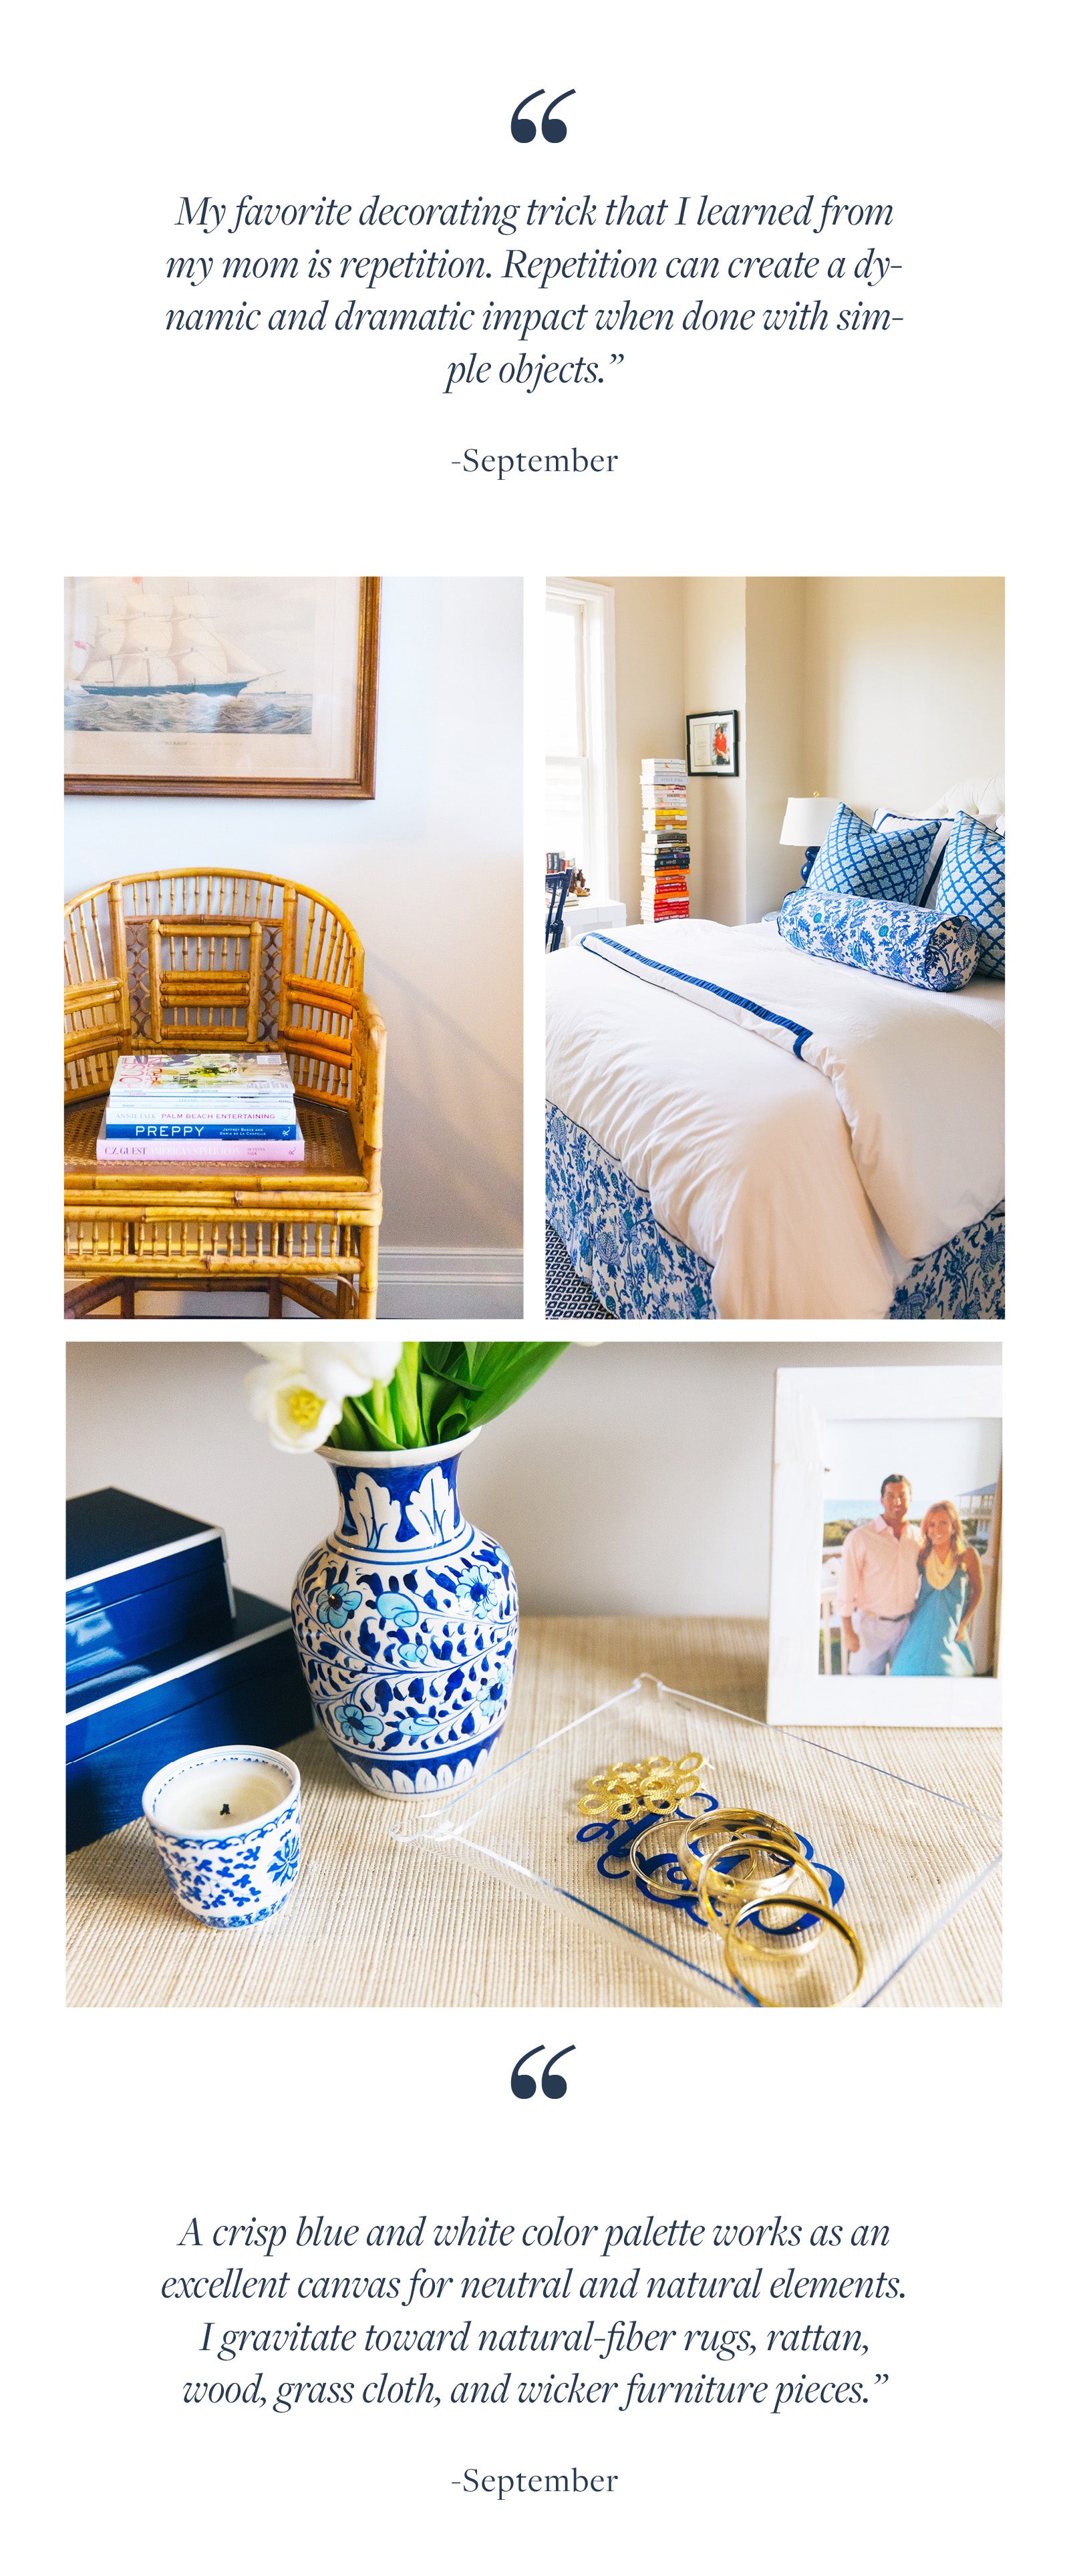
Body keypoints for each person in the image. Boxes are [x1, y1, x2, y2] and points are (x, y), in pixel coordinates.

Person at [836, 1475, 921, 1675]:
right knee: (865, 1691)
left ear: (910, 1499)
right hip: (869, 1629)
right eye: (891, 1496)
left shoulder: (918, 1537)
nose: (897, 1502)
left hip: (906, 1628)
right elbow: (846, 1587)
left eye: (903, 1496)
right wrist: (848, 1632)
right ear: (882, 1500)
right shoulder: (861, 1538)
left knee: (903, 1687)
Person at [889, 1501, 984, 1678]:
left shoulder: (967, 1555)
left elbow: (979, 1591)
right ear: (926, 1529)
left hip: (951, 1630)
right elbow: (904, 1580)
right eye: (931, 1524)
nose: (936, 1529)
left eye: (943, 1523)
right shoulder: (923, 1555)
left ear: (954, 1527)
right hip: (921, 1629)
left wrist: (964, 1625)